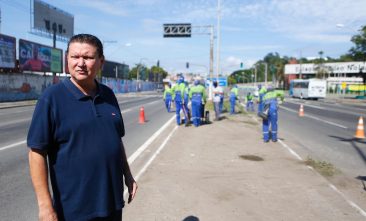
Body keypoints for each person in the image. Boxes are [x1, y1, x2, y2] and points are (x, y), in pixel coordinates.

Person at [27, 34, 137, 221]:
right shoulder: (51, 98)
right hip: (74, 211)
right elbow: (36, 152)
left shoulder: (108, 95)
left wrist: (127, 174)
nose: (80, 63)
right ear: (67, 59)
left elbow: (116, 139)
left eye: (87, 57)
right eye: (75, 57)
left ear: (101, 62)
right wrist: (45, 206)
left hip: (112, 203)